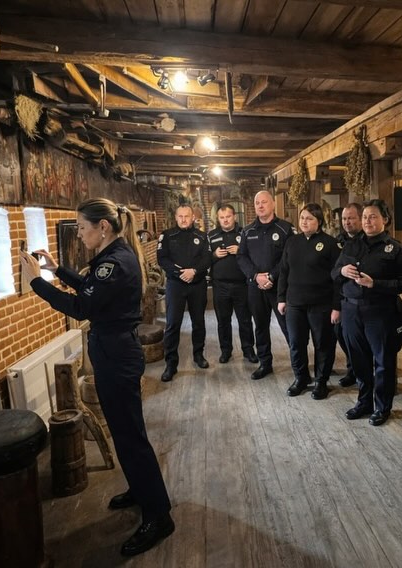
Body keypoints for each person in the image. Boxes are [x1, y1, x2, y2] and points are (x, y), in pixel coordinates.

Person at [20, 198, 173, 557]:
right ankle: (141, 490)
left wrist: (37, 283)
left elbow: (81, 307)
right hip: (113, 352)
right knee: (124, 434)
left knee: (131, 438)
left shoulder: (114, 263)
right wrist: (57, 270)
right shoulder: (113, 257)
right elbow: (93, 290)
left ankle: (158, 517)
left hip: (117, 356)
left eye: (82, 227)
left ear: (103, 227)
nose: (80, 234)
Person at [331, 199, 402, 426]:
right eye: (365, 217)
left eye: (373, 216)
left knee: (383, 362)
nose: (367, 221)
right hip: (351, 310)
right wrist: (342, 270)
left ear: (385, 220)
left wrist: (376, 284)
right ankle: (364, 402)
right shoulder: (351, 245)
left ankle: (382, 407)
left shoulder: (395, 249)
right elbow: (333, 273)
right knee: (358, 360)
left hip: (380, 311)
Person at [277, 203, 342, 399]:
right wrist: (281, 298)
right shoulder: (292, 242)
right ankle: (301, 378)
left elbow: (338, 279)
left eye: (310, 218)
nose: (304, 221)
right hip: (295, 303)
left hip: (321, 304)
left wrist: (336, 306)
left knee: (323, 344)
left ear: (319, 221)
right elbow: (283, 272)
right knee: (296, 343)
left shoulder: (330, 244)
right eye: (302, 217)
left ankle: (321, 381)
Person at [237, 190, 294, 380]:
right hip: (255, 287)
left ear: (273, 204)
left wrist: (271, 276)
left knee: (288, 326)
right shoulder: (247, 231)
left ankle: (298, 365)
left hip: (279, 287)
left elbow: (288, 258)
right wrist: (256, 276)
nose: (260, 206)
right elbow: (241, 257)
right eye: (257, 203)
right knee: (260, 326)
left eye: (264, 202)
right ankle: (265, 363)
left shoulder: (285, 229)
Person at [157, 205, 213, 381]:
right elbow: (162, 259)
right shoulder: (167, 236)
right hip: (175, 285)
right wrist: (180, 273)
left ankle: (198, 355)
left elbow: (207, 258)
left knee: (199, 322)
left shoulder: (202, 236)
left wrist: (194, 271)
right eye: (180, 216)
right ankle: (171, 364)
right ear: (176, 217)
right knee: (173, 324)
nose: (183, 219)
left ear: (193, 217)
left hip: (197, 284)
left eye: (186, 216)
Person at [208, 204, 258, 364]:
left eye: (228, 217)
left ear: (234, 217)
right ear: (218, 219)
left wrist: (240, 250)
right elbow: (203, 259)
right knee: (223, 321)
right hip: (220, 285)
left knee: (245, 320)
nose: (225, 220)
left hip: (242, 285)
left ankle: (248, 350)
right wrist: (214, 255)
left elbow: (255, 256)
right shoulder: (211, 235)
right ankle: (226, 351)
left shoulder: (244, 233)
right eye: (222, 217)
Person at [335, 202, 363, 388]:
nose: (347, 222)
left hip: (363, 298)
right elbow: (333, 271)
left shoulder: (366, 241)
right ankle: (352, 369)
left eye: (351, 218)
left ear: (361, 219)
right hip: (342, 297)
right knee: (343, 336)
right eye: (344, 219)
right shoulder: (339, 241)